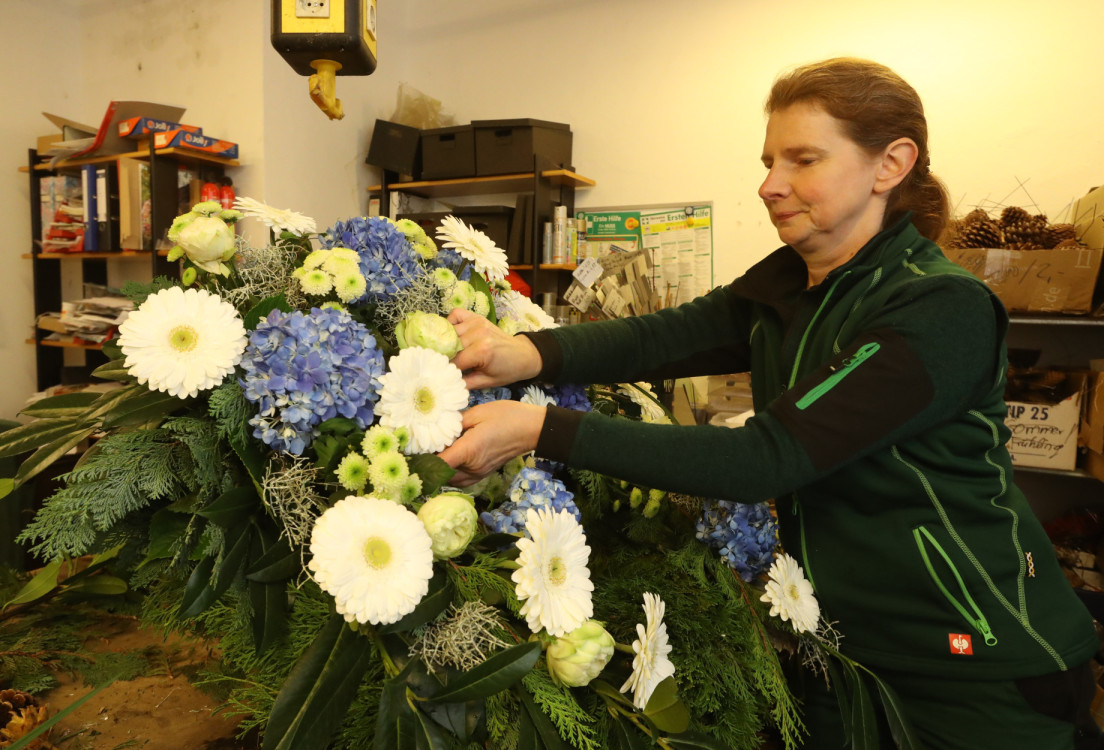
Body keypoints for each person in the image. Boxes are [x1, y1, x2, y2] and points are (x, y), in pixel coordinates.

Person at [437, 57, 1103, 750]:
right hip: (840, 649)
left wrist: (538, 427)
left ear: (891, 164)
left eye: (803, 160)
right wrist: (531, 351)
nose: (769, 185)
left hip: (975, 668)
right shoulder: (790, 280)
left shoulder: (939, 306)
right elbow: (666, 336)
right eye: (768, 160)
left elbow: (767, 457)